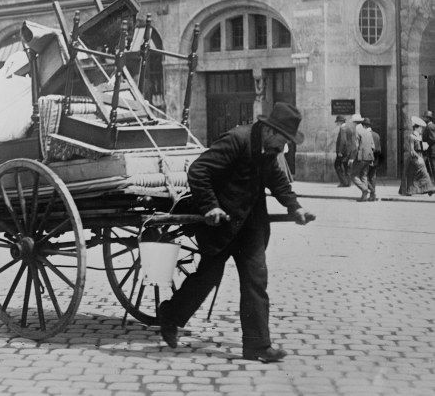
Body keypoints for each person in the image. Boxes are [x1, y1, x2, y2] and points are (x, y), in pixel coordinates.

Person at [157, 102, 315, 363]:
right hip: (221, 225)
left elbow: (277, 181)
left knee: (256, 280)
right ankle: (170, 315)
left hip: (251, 227)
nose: (284, 147)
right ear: (269, 131)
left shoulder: (269, 151)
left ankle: (258, 347)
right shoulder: (237, 140)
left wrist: (295, 207)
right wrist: (211, 207)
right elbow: (199, 170)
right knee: (208, 277)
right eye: (283, 139)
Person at [399, 116, 435, 196]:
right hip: (414, 157)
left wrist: (425, 147)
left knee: (412, 175)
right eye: (420, 128)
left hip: (419, 155)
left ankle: (410, 191)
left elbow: (421, 147)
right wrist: (419, 158)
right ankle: (429, 189)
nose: (421, 129)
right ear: (416, 128)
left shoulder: (419, 137)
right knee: (423, 173)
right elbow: (412, 150)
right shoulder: (411, 136)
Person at [351, 116, 375, 202]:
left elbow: (355, 146)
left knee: (353, 175)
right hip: (369, 157)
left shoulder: (358, 132)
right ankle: (364, 197)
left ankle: (364, 189)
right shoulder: (369, 133)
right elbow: (373, 146)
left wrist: (352, 158)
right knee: (364, 175)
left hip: (360, 157)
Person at [365, 119, 382, 202]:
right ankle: (372, 195)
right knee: (372, 176)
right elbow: (379, 150)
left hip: (367, 158)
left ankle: (372, 191)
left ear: (364, 126)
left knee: (363, 176)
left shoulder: (365, 135)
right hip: (375, 159)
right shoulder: (376, 135)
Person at [333, 115, 351, 187]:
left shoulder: (342, 128)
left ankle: (343, 182)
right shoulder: (348, 128)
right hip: (347, 151)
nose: (337, 123)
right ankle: (348, 182)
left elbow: (343, 141)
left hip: (342, 152)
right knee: (346, 166)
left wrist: (340, 151)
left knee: (337, 165)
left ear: (340, 122)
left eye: (337, 122)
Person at [422, 110, 435, 183]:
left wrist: (426, 144)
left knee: (433, 168)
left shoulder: (430, 127)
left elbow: (432, 138)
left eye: (425, 118)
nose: (424, 119)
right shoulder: (430, 126)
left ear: (428, 118)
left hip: (432, 151)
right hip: (431, 151)